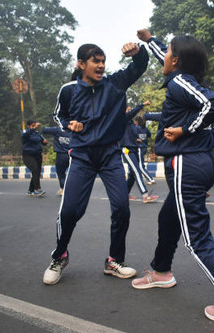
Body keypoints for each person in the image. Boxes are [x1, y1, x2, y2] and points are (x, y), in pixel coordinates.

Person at [134, 29, 214, 324]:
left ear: (176, 60)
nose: (162, 56)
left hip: (186, 164)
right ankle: (161, 271)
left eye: (167, 52)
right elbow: (166, 56)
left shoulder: (179, 81)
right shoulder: (183, 78)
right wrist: (150, 40)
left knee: (196, 237)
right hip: (199, 163)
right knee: (168, 218)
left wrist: (184, 129)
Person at [42, 40, 149, 285]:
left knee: (122, 207)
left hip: (111, 155)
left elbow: (140, 65)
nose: (101, 66)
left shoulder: (115, 83)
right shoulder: (68, 90)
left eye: (103, 61)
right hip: (82, 155)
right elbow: (60, 115)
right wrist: (69, 125)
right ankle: (59, 256)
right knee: (69, 211)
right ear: (81, 64)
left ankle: (114, 260)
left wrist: (138, 52)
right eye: (95, 62)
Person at [121, 102, 159, 203]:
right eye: (128, 109)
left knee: (132, 175)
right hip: (127, 150)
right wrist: (142, 104)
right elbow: (133, 112)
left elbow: (131, 134)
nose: (130, 111)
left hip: (133, 148)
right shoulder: (122, 117)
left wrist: (137, 139)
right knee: (137, 171)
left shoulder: (130, 123)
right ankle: (145, 195)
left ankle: (124, 194)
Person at [42, 126, 71, 195]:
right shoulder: (75, 130)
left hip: (61, 155)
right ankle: (70, 188)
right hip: (73, 155)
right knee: (73, 173)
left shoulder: (58, 130)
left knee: (61, 173)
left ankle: (63, 188)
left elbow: (44, 130)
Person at [22, 120, 47, 197]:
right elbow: (25, 135)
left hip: (38, 155)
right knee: (35, 169)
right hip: (28, 155)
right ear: (28, 126)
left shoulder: (37, 133)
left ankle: (30, 190)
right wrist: (33, 128)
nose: (35, 127)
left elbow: (43, 141)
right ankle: (37, 189)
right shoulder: (25, 132)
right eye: (33, 125)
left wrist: (45, 142)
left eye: (35, 125)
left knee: (37, 172)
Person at [134, 115, 156, 185]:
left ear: (136, 121)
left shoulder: (136, 128)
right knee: (137, 164)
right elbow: (149, 135)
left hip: (139, 148)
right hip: (144, 148)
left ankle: (150, 179)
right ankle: (137, 179)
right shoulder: (145, 129)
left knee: (140, 166)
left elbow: (132, 136)